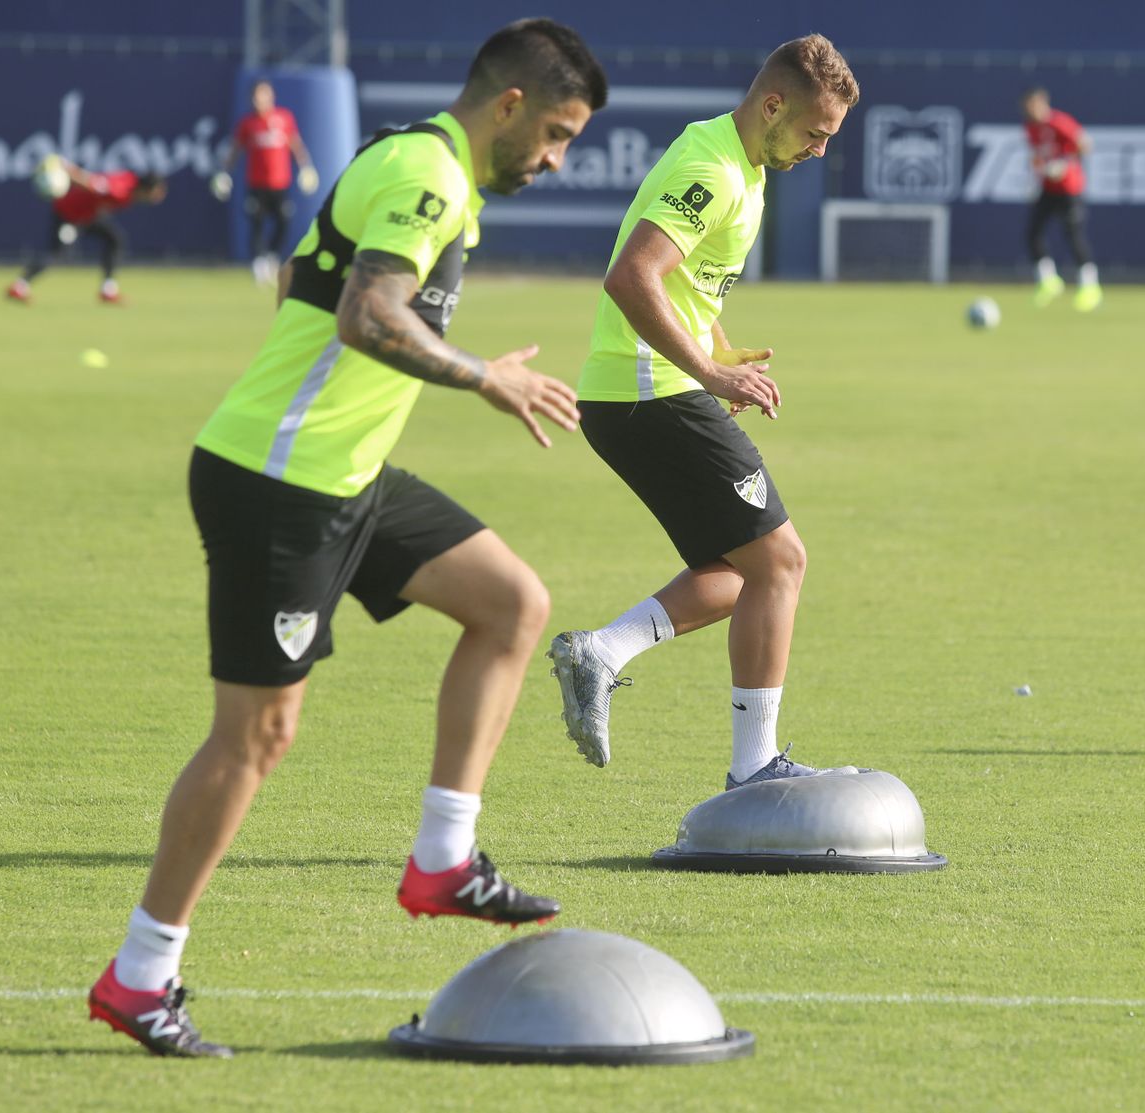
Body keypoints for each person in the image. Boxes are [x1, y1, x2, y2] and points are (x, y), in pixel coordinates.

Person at [87, 18, 607, 1058]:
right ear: (507, 105)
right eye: (553, 134)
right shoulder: (430, 175)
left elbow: (299, 277)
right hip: (279, 483)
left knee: (512, 604)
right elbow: (366, 317)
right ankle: (139, 977)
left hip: (341, 474)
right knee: (256, 740)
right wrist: (483, 376)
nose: (554, 161)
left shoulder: (403, 156)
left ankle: (443, 863)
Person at [548, 35, 858, 791]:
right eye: (815, 132)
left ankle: (603, 652)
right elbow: (632, 276)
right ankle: (755, 767)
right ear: (773, 104)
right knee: (782, 562)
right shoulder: (713, 169)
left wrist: (720, 352)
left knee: (738, 570)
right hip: (647, 391)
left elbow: (691, 285)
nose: (819, 149)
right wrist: (708, 369)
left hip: (641, 392)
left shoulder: (744, 166)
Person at [6, 165, 167, 305]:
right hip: (69, 215)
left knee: (114, 239)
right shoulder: (120, 190)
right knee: (58, 253)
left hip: (88, 215)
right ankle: (19, 287)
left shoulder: (130, 183)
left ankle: (108, 291)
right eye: (156, 191)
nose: (158, 197)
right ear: (147, 188)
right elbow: (91, 183)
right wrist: (67, 170)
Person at [213, 81, 321, 286]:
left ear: (270, 96)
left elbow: (295, 145)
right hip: (256, 184)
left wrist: (306, 167)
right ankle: (259, 263)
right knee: (257, 223)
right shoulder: (248, 124)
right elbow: (236, 150)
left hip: (280, 184)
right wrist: (225, 173)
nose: (259, 100)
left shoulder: (284, 118)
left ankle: (271, 256)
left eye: (263, 95)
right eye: (255, 96)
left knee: (283, 221)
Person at [1021, 87, 1101, 311]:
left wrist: (1065, 164)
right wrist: (1033, 178)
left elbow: (1085, 145)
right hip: (1048, 188)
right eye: (1028, 106)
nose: (1031, 110)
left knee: (1073, 234)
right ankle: (1048, 281)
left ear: (1043, 102)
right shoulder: (1030, 128)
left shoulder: (1059, 122)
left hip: (1069, 188)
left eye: (1034, 104)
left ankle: (1090, 287)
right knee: (1033, 231)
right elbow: (1037, 157)